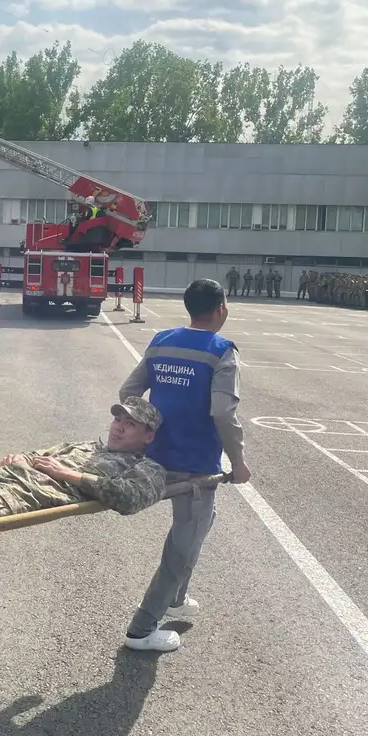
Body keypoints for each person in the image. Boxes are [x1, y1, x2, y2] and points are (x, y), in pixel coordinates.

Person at [118, 278, 251, 653]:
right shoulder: (222, 352)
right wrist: (238, 463)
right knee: (183, 547)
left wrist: (145, 429)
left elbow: (128, 392)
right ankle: (141, 629)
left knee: (202, 523)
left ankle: (177, 596)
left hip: (156, 455)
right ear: (221, 309)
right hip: (194, 464)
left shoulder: (162, 341)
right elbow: (223, 412)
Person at [0, 398, 166, 525]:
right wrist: (19, 457)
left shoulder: (145, 468)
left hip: (26, 492)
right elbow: (37, 454)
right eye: (117, 419)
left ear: (149, 436)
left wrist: (68, 474)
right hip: (8, 474)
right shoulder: (88, 446)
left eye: (130, 424)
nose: (119, 427)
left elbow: (129, 499)